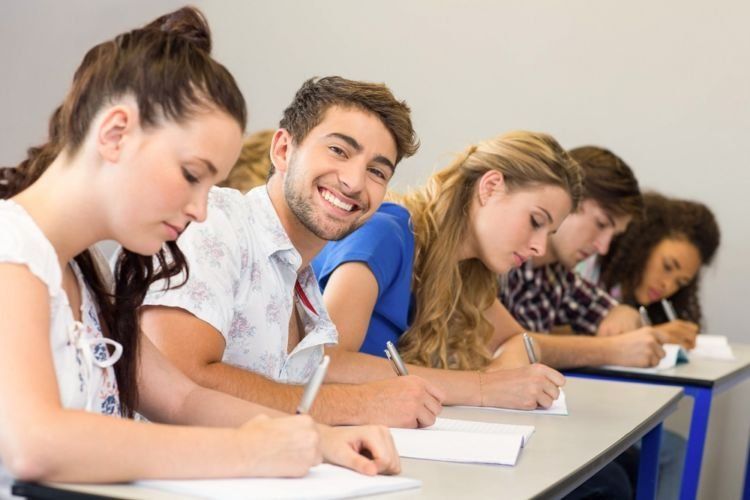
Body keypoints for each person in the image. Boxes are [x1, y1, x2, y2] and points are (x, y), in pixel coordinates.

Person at [0, 8, 398, 493]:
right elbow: (34, 444)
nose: (201, 210)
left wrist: (316, 438)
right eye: (192, 175)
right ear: (115, 134)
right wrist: (248, 452)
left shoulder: (87, 276)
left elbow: (183, 400)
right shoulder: (11, 252)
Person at [140, 76, 446, 428]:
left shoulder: (304, 286)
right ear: (284, 150)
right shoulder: (215, 222)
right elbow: (177, 380)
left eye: (376, 171)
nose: (354, 182)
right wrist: (358, 404)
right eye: (338, 151)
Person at [312, 131, 579, 410]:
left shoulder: (464, 270)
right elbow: (327, 363)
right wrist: (483, 387)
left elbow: (518, 339)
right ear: (490, 187)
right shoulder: (385, 233)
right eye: (536, 221)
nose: (539, 248)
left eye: (549, 233)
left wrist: (501, 373)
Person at [499, 146, 683, 370]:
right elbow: (507, 347)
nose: (603, 247)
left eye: (613, 236)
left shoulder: (558, 275)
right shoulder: (500, 257)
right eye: (601, 224)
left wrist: (624, 312)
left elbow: (610, 312)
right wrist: (611, 350)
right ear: (568, 201)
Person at [595, 192, 720, 328]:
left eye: (680, 282)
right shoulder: (588, 271)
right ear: (642, 244)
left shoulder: (646, 310)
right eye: (667, 267)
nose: (668, 286)